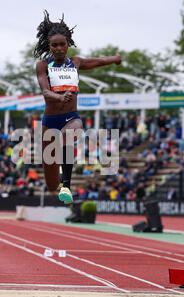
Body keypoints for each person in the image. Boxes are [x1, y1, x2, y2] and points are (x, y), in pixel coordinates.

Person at [34, 10, 121, 204]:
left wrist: (114, 59)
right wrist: (58, 97)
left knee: (69, 136)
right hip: (50, 121)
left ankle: (66, 186)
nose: (58, 48)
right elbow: (45, 92)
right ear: (49, 46)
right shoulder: (42, 65)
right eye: (54, 45)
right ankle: (57, 183)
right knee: (49, 183)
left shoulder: (76, 62)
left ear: (68, 44)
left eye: (62, 44)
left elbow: (97, 61)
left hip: (71, 117)